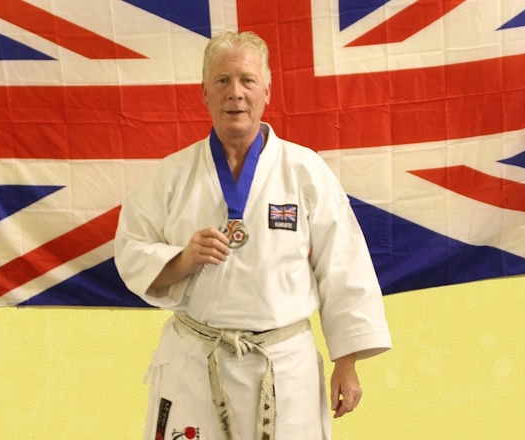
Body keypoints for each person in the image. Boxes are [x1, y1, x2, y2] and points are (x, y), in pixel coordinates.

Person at [114, 31, 391, 440]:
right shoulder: (170, 176)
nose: (235, 93)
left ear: (266, 90)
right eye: (222, 81)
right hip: (195, 361)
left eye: (246, 80)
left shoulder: (304, 170)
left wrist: (346, 364)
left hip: (284, 363)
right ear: (204, 92)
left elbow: (343, 264)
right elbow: (130, 251)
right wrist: (182, 259)